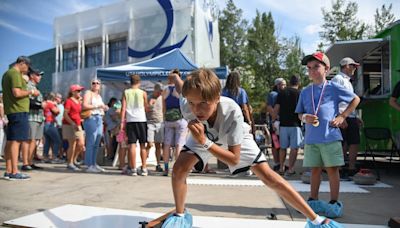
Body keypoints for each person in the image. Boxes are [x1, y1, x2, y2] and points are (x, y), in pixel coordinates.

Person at [161, 68, 342, 228]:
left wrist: (204, 142)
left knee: (269, 177)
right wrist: (176, 76)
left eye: (203, 104)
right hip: (204, 134)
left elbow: (233, 159)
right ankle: (180, 215)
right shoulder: (188, 105)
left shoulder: (232, 111)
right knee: (178, 169)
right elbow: (180, 86)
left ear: (216, 98)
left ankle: (316, 220)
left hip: (231, 137)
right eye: (192, 103)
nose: (196, 109)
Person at [295, 52, 360, 218]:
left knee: (332, 169)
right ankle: (313, 200)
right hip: (311, 138)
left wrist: (342, 116)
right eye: (309, 68)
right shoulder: (305, 91)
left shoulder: (333, 87)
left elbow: (355, 100)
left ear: (327, 69)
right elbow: (299, 113)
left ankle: (333, 202)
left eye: (316, 67)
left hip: (330, 136)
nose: (312, 71)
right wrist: (304, 117)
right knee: (314, 170)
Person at [2, 56, 40, 180]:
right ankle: (14, 171)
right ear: (22, 63)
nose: (27, 69)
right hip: (18, 111)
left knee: (11, 141)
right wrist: (31, 92)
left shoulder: (8, 73)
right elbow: (17, 93)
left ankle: (9, 170)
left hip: (13, 111)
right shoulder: (15, 74)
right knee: (16, 141)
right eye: (27, 66)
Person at [331, 57, 362, 178]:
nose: (355, 68)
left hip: (350, 115)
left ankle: (351, 168)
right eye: (353, 66)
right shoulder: (337, 79)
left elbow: (350, 100)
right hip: (342, 115)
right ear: (346, 66)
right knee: (341, 143)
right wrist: (339, 117)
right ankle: (339, 168)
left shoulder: (348, 81)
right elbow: (334, 99)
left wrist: (355, 115)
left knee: (354, 142)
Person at [273, 75, 303, 176]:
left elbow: (276, 108)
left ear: (289, 82)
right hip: (295, 124)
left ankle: (281, 167)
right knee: (294, 148)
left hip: (283, 124)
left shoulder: (282, 93)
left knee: (283, 147)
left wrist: (273, 120)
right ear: (298, 83)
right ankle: (291, 168)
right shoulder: (300, 93)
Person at [120, 74, 149, 176]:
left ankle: (133, 169)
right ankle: (144, 168)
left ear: (130, 82)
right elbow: (146, 108)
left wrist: (122, 122)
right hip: (141, 119)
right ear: (139, 82)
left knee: (132, 144)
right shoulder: (143, 93)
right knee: (142, 145)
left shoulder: (126, 92)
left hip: (130, 120)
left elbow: (123, 108)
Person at [162, 69, 188, 176]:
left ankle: (166, 169)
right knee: (179, 145)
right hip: (180, 120)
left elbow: (163, 107)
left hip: (168, 120)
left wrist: (164, 118)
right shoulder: (181, 89)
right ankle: (177, 170)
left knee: (167, 145)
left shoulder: (165, 89)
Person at [82, 79, 107, 173]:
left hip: (99, 118)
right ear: (91, 85)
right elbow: (84, 105)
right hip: (91, 117)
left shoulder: (99, 96)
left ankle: (94, 163)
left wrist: (103, 108)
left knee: (97, 141)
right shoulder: (88, 93)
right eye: (93, 83)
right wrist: (97, 107)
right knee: (91, 141)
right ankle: (89, 165)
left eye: (98, 83)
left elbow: (101, 107)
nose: (96, 84)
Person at [22, 68, 45, 170]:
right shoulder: (28, 86)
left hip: (38, 118)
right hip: (31, 117)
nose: (40, 77)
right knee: (29, 140)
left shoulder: (35, 87)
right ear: (32, 76)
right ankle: (25, 163)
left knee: (34, 141)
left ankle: (30, 162)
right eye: (38, 75)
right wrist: (41, 105)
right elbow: (28, 103)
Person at [62, 84, 85, 171]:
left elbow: (78, 113)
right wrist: (72, 123)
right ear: (73, 92)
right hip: (69, 124)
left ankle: (73, 159)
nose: (80, 92)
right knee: (72, 144)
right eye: (78, 91)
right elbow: (65, 114)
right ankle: (70, 163)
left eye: (80, 91)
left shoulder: (78, 101)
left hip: (77, 123)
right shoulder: (68, 101)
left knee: (81, 144)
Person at [266, 77, 286, 172]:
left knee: (279, 143)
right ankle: (277, 163)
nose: (284, 86)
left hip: (280, 122)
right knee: (275, 143)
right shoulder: (273, 94)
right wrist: (274, 119)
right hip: (275, 123)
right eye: (283, 84)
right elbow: (269, 107)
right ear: (277, 85)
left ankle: (278, 163)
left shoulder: (283, 94)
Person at [146, 83, 164, 172]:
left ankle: (158, 164)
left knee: (158, 145)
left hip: (160, 123)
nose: (160, 93)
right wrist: (149, 105)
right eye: (159, 91)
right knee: (149, 144)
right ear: (155, 89)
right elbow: (145, 109)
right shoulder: (149, 97)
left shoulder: (162, 98)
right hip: (150, 123)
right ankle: (143, 163)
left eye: (161, 91)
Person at [42, 92, 62, 163]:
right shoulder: (50, 104)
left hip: (45, 123)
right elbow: (56, 111)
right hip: (49, 124)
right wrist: (56, 106)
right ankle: (54, 157)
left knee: (48, 141)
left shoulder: (45, 104)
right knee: (57, 140)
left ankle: (45, 157)